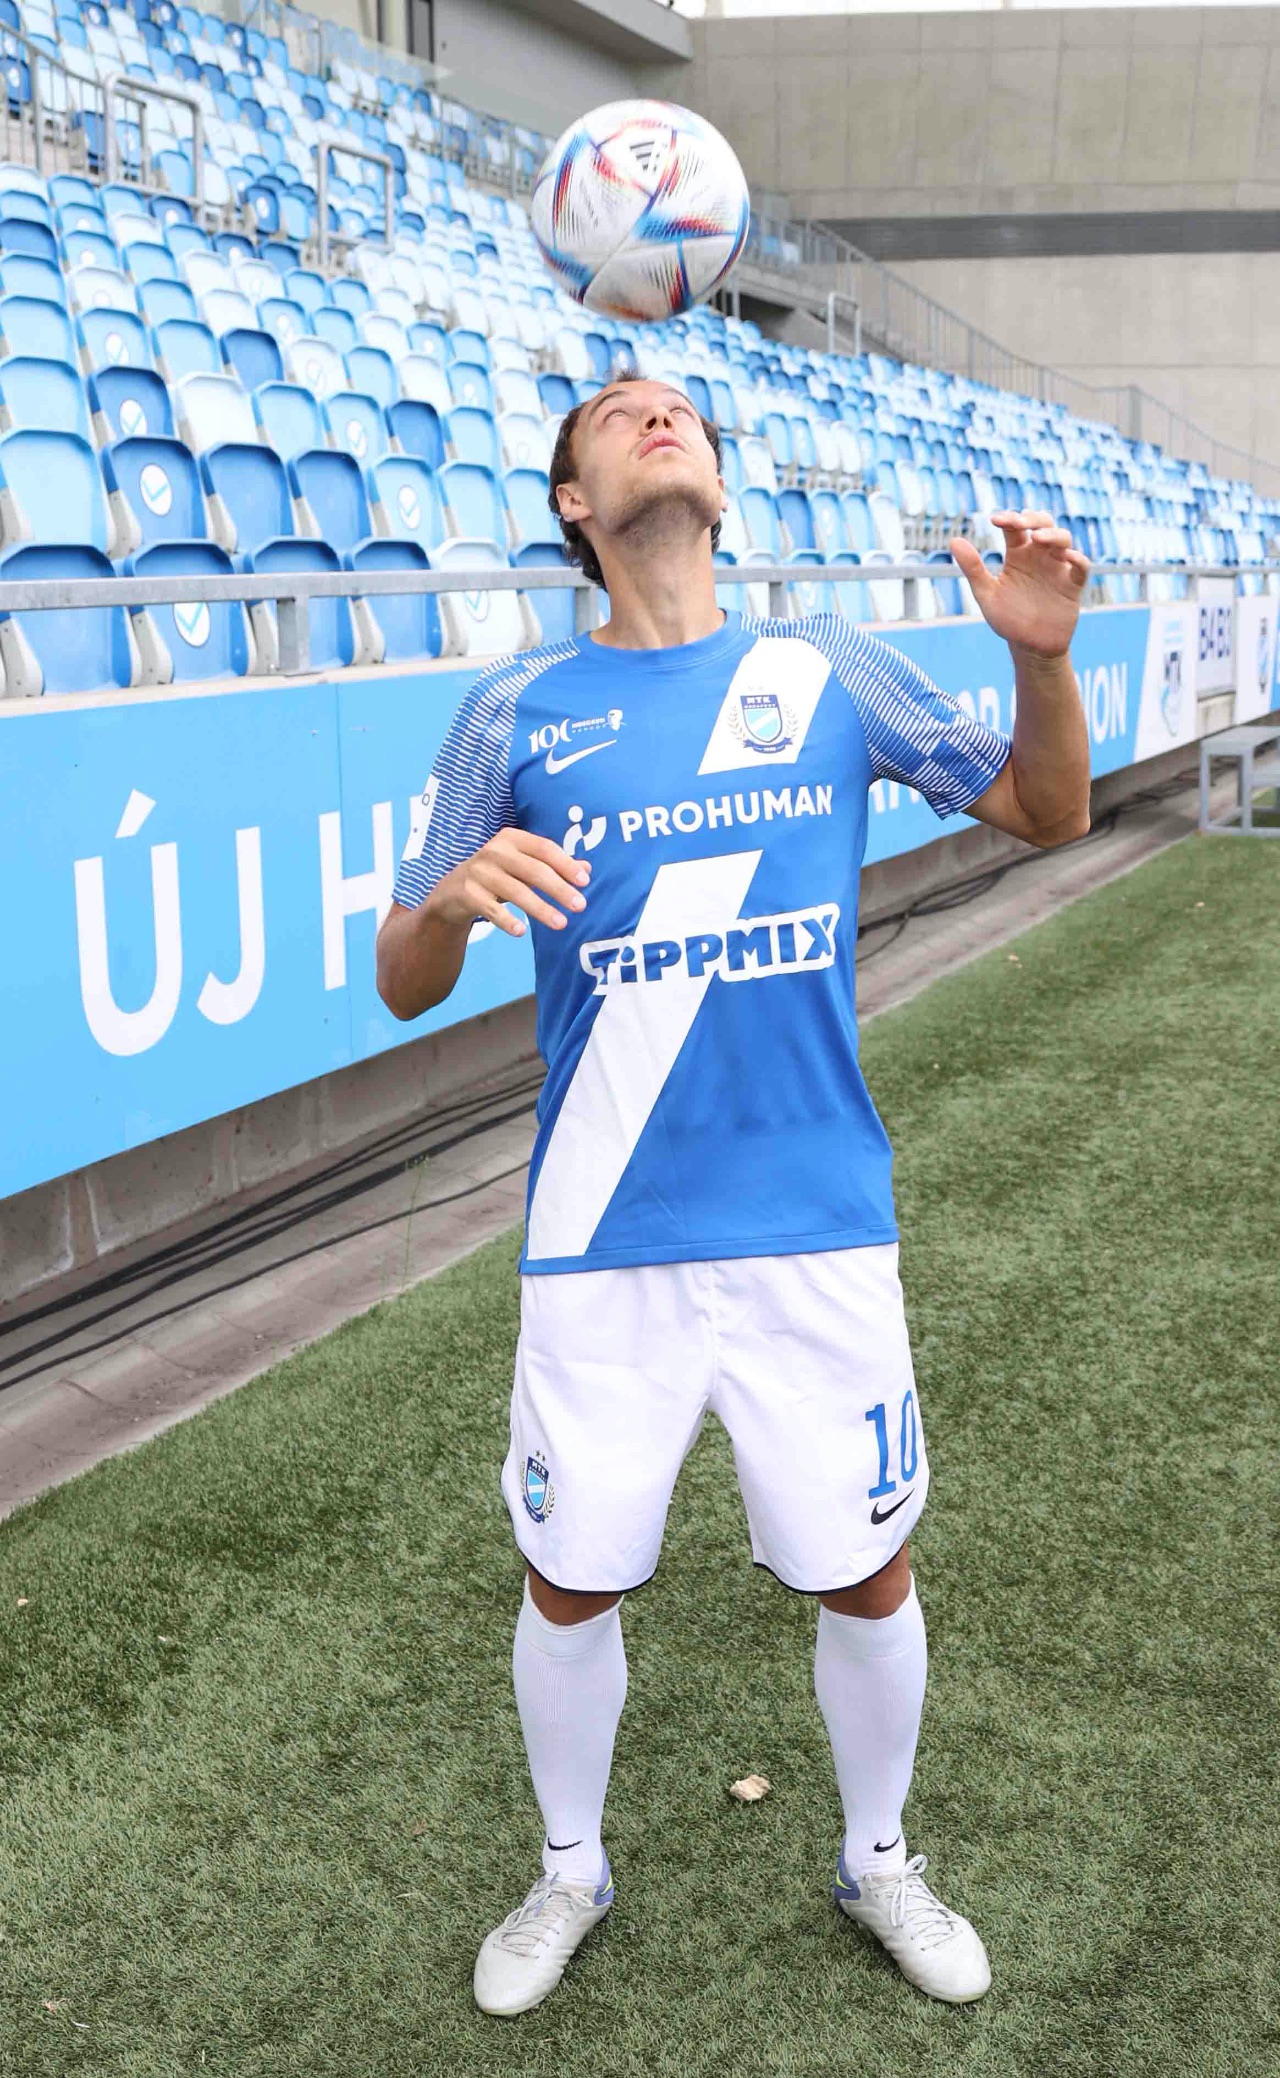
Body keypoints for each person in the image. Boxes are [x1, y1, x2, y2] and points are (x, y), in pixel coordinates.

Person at [376, 375, 1091, 2018]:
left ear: (717, 475)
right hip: (599, 1234)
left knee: (868, 1570)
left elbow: (1052, 811)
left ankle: (880, 1856)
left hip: (816, 1219)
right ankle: (569, 1869)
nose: (658, 416)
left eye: (681, 407)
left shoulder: (824, 668)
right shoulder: (513, 710)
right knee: (572, 1576)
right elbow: (401, 974)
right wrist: (448, 902)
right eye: (618, 410)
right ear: (571, 500)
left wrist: (1041, 661)